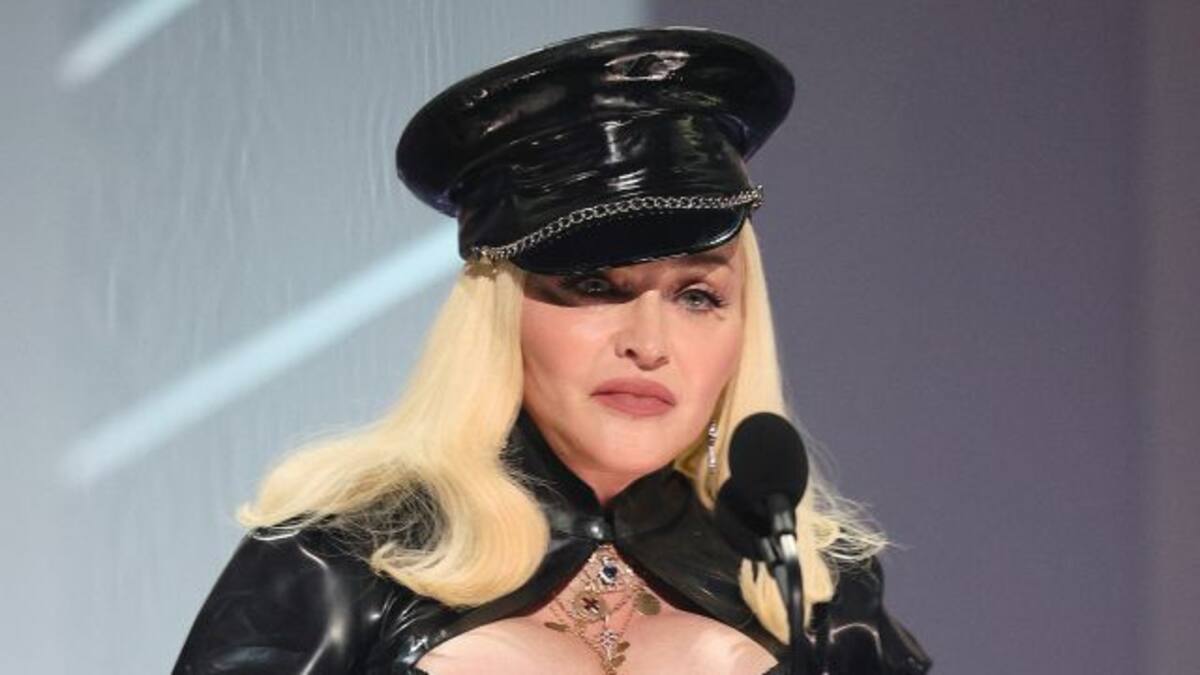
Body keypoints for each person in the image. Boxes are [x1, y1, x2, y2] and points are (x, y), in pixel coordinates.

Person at [173, 27, 931, 675]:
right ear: (500, 315)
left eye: (697, 297)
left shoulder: (818, 592)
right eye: (595, 286)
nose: (648, 344)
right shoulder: (341, 562)